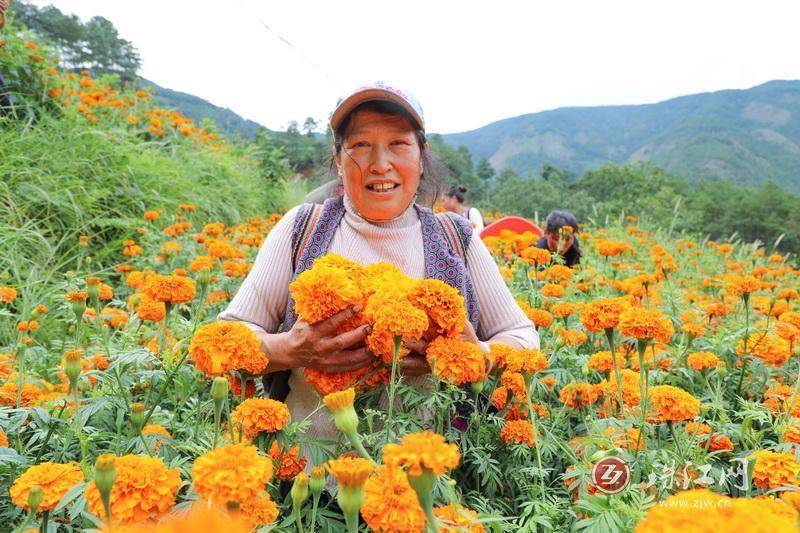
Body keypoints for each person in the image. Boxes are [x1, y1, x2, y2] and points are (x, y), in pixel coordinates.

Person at [218, 82, 538, 443]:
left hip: (430, 481)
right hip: (306, 484)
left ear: (421, 155)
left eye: (399, 144)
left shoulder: (455, 238)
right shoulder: (302, 229)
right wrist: (289, 349)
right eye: (360, 146)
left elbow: (523, 337)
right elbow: (227, 340)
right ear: (338, 161)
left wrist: (479, 354)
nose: (380, 164)